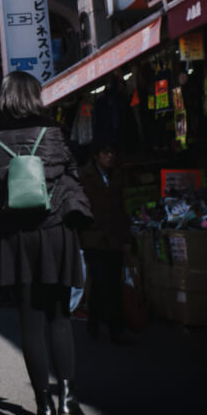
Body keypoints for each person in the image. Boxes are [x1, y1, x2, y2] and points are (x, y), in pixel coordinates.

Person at [0, 71, 92, 415]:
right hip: (55, 230)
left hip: (16, 238)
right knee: (59, 317)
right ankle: (68, 405)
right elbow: (72, 173)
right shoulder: (53, 133)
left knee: (29, 321)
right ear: (34, 97)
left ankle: (42, 407)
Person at [80, 142, 132, 344]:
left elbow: (121, 206)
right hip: (94, 237)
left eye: (112, 152)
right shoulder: (84, 175)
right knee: (100, 283)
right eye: (106, 152)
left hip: (114, 237)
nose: (110, 156)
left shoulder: (117, 175)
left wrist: (126, 236)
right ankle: (96, 324)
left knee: (114, 284)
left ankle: (114, 329)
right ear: (96, 156)